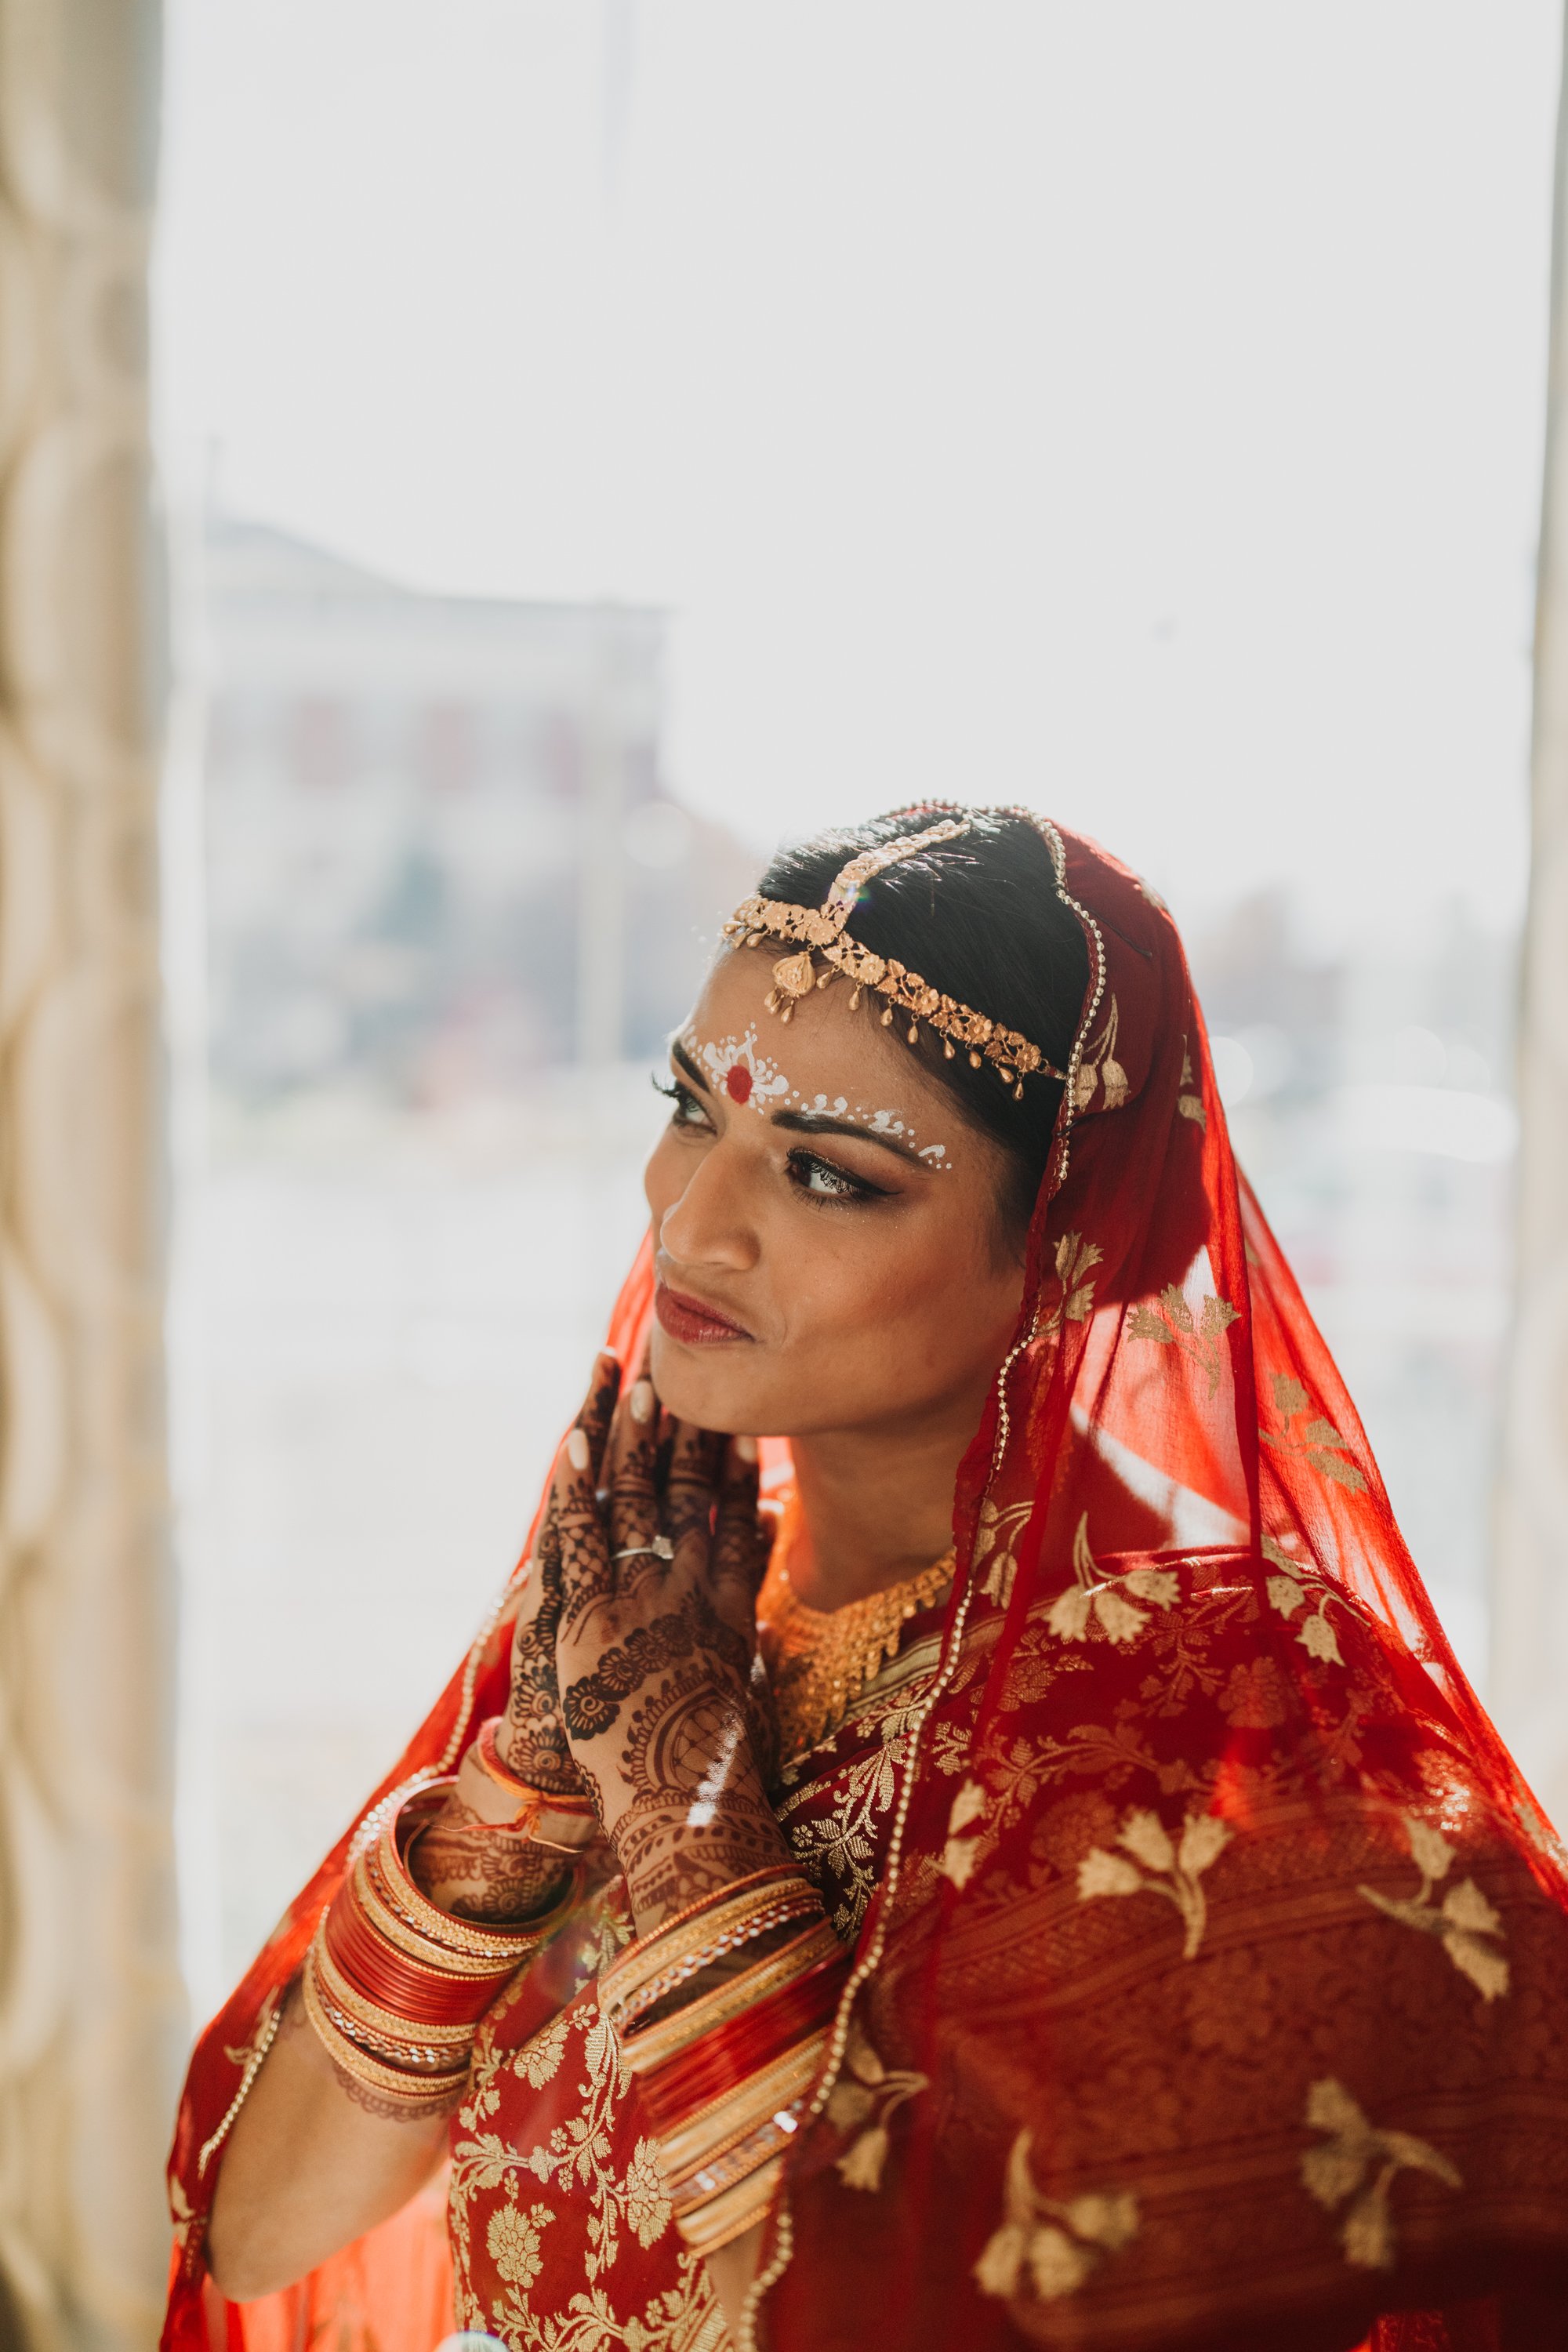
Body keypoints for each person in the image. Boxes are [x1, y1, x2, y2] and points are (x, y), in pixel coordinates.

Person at [165, 808, 1568, 2352]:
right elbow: (261, 2236)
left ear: (1063, 1249)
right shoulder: (665, 1608)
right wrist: (554, 1764)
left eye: (828, 1175)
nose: (691, 1222)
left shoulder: (1249, 1741)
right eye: (689, 1106)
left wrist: (693, 1811)